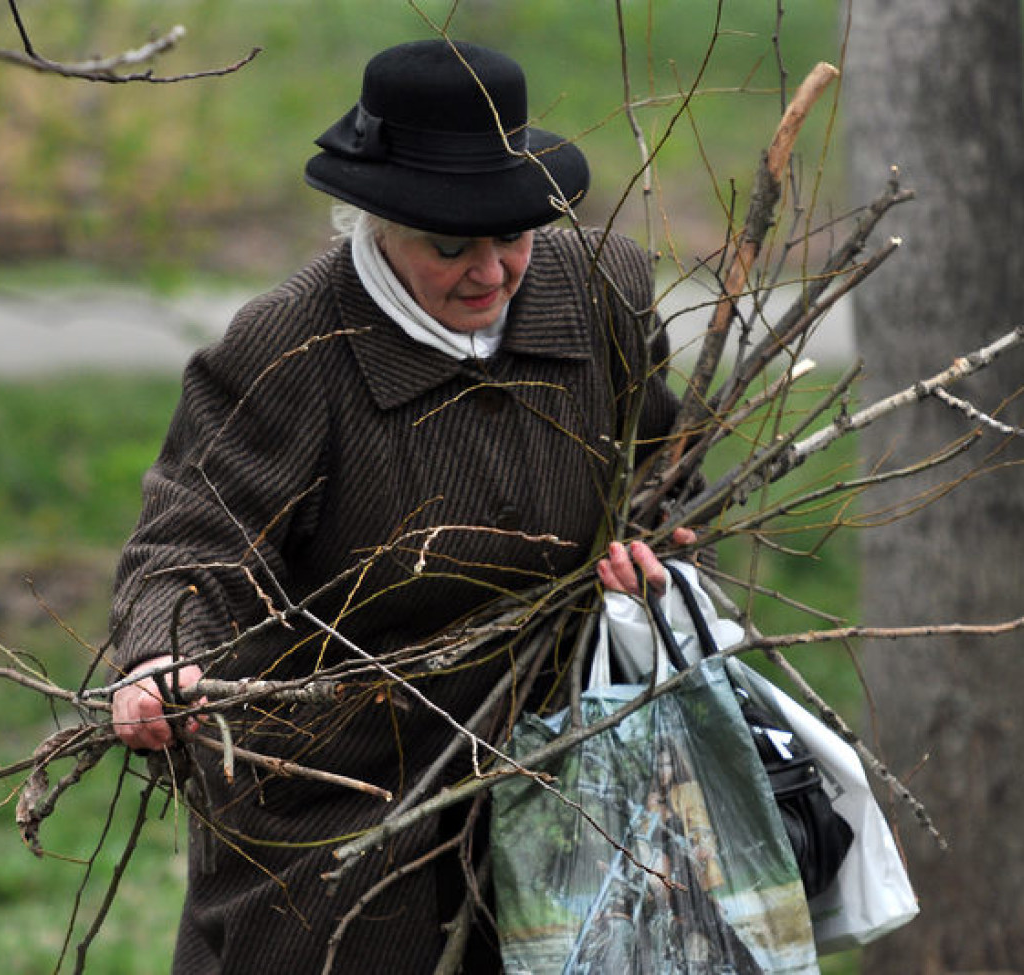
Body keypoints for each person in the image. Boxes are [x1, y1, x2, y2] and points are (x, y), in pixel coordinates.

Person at [108, 38, 691, 974]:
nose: (493, 271)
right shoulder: (293, 346)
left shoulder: (602, 293)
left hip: (561, 766)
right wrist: (160, 656)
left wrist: (651, 541)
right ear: (376, 221)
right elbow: (192, 537)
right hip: (336, 792)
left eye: (514, 235)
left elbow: (661, 464)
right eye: (452, 245)